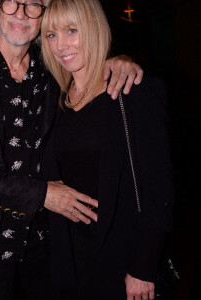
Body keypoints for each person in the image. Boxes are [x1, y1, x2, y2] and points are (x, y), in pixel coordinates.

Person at [0, 0, 144, 299]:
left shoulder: (54, 69)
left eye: (34, 4)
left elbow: (88, 66)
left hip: (50, 242)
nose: (21, 13)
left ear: (45, 16)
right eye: (12, 2)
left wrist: (119, 60)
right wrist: (42, 194)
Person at [40, 0, 174, 299]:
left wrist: (144, 266)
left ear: (94, 28)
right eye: (51, 35)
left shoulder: (133, 92)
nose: (61, 45)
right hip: (67, 257)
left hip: (120, 254)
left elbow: (159, 188)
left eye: (72, 30)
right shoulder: (54, 97)